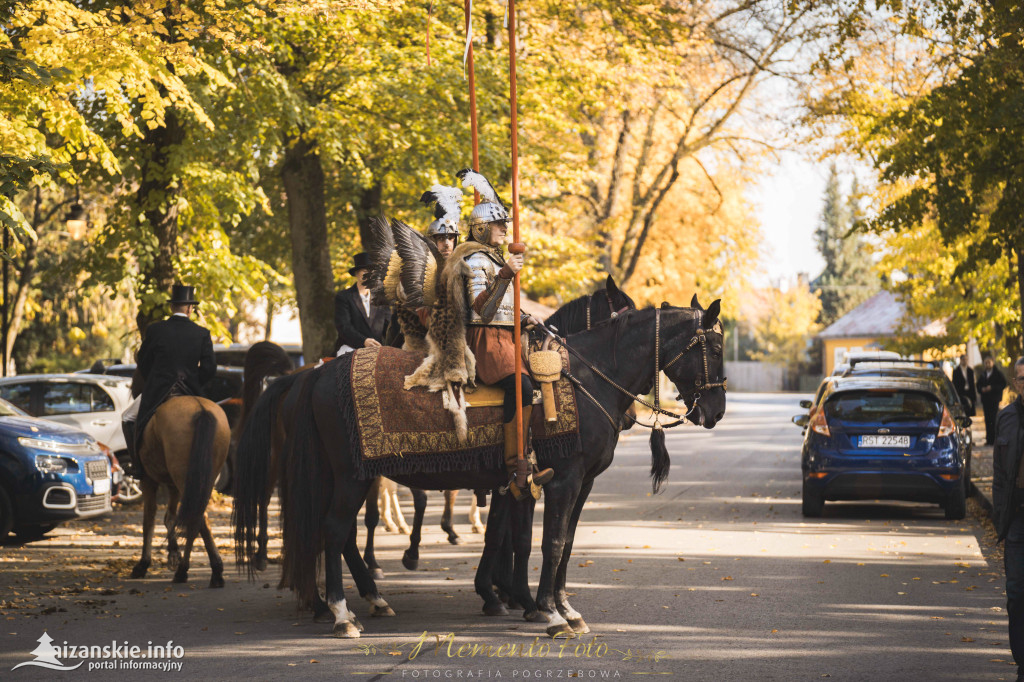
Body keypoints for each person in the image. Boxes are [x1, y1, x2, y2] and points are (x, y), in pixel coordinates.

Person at [451, 168, 553, 499]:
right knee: (522, 385)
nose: (505, 229)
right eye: (498, 224)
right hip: (484, 342)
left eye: (504, 224)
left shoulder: (494, 260)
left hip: (506, 337)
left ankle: (534, 455)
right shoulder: (475, 259)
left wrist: (525, 318)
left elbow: (506, 309)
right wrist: (507, 273)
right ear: (480, 227)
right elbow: (482, 310)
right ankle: (516, 466)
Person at [121, 284, 216, 474]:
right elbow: (209, 368)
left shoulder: (156, 330)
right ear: (190, 309)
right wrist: (194, 382)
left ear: (172, 307)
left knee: (127, 418)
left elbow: (145, 362)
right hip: (191, 390)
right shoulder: (202, 333)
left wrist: (154, 380)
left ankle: (138, 467)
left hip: (159, 391)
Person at [991, 357, 1024, 682]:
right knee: (1015, 593)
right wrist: (1000, 512)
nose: (1023, 383)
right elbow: (999, 473)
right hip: (1016, 518)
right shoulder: (1007, 418)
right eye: (1020, 379)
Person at [334, 252, 392, 355]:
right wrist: (363, 341)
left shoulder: (381, 299)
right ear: (356, 273)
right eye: (365, 271)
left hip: (376, 349)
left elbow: (389, 328)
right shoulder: (343, 297)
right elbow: (344, 327)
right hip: (350, 348)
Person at [978, 355, 1008, 445]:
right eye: (986, 363)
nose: (987, 364)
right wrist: (982, 389)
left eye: (989, 362)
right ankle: (989, 439)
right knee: (987, 420)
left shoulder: (997, 373)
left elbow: (1003, 384)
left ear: (992, 363)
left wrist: (992, 388)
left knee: (994, 419)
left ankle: (994, 439)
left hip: (994, 399)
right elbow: (978, 385)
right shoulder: (983, 374)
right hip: (986, 400)